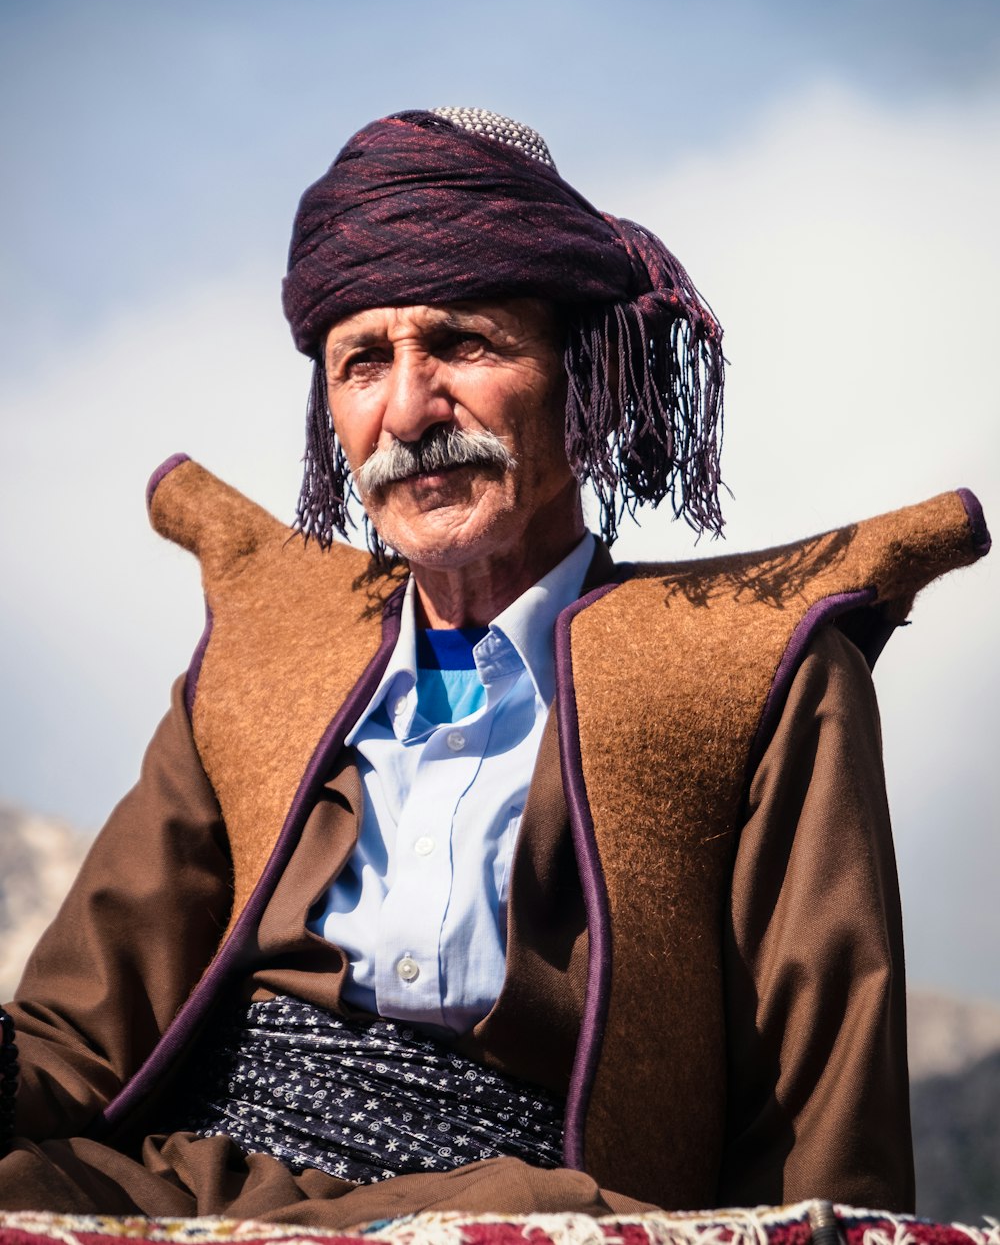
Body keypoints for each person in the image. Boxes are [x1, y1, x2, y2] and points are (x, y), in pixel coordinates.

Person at [0, 107, 990, 1223]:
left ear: (583, 371)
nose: (410, 410)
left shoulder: (747, 669)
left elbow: (819, 1108)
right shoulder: (261, 662)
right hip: (194, 1182)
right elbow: (74, 1037)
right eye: (361, 363)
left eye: (463, 345)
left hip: (531, 1204)